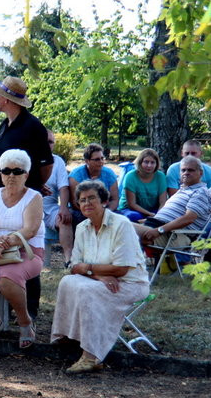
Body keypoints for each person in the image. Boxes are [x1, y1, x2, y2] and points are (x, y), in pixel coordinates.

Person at [51, 180, 150, 374]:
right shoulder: (82, 228)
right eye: (82, 200)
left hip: (130, 283)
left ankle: (91, 356)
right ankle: (68, 336)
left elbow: (121, 269)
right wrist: (98, 275)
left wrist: (89, 270)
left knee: (87, 291)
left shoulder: (121, 225)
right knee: (67, 282)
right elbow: (74, 266)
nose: (87, 203)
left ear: (103, 201)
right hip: (101, 280)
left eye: (92, 198)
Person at [0, 76, 53, 321]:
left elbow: (46, 163)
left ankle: (30, 309)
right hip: (1, 195)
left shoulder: (33, 127)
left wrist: (33, 185)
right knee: (6, 243)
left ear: (6, 99)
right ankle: (9, 304)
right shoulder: (7, 124)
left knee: (28, 246)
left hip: (24, 196)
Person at [0, 149, 45, 348]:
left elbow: (29, 230)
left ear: (26, 175)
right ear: (0, 173)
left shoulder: (34, 197)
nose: (11, 176)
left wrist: (4, 244)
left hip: (26, 251)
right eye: (6, 171)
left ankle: (24, 322)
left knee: (7, 280)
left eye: (17, 171)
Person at [133, 156, 211, 251]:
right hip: (157, 227)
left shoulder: (200, 192)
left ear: (200, 173)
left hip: (173, 235)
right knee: (118, 226)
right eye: (183, 170)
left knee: (122, 228)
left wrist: (160, 230)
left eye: (190, 170)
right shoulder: (183, 190)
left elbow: (188, 219)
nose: (186, 173)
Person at [41, 130, 73, 265]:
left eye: (50, 142)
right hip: (27, 208)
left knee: (64, 219)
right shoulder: (27, 158)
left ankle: (68, 261)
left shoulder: (57, 161)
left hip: (49, 208)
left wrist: (64, 207)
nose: (47, 145)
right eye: (44, 141)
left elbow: (63, 187)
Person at [68, 143, 119, 224]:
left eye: (102, 158)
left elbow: (115, 199)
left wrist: (105, 213)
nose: (101, 162)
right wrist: (93, 213)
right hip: (82, 210)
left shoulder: (110, 174)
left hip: (105, 209)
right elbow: (75, 202)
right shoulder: (75, 176)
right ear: (87, 161)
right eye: (97, 159)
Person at [117, 148, 168, 222]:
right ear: (140, 162)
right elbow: (132, 204)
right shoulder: (130, 176)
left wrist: (159, 215)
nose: (149, 165)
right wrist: (149, 214)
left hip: (153, 210)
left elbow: (162, 202)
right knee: (133, 216)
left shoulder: (161, 176)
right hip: (131, 209)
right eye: (146, 162)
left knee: (167, 215)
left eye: (152, 162)